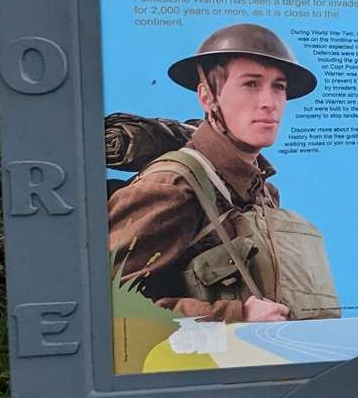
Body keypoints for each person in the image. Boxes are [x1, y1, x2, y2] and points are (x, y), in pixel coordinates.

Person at [108, 23, 340, 322]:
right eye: (251, 84)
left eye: (278, 87)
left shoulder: (263, 192)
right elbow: (110, 306)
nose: (269, 102)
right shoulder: (171, 187)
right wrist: (235, 315)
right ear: (207, 97)